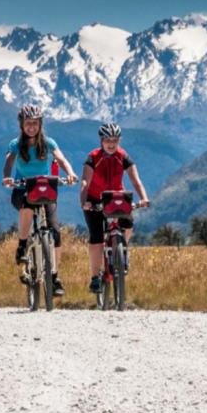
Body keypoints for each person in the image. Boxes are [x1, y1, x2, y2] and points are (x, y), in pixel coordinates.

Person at [1, 105, 78, 296]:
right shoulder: (15, 145)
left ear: (40, 124)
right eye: (28, 124)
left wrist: (70, 173)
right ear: (22, 125)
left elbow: (61, 159)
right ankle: (22, 243)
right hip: (22, 189)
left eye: (35, 123)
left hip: (44, 189)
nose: (32, 127)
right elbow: (9, 163)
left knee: (56, 233)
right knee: (26, 204)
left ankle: (54, 276)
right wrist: (7, 178)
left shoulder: (49, 143)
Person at [80, 122, 150, 295]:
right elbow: (84, 182)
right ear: (101, 141)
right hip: (94, 199)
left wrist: (144, 198)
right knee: (96, 239)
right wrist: (84, 202)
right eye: (108, 140)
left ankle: (121, 251)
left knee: (128, 225)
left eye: (115, 140)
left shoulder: (123, 156)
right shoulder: (93, 157)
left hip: (116, 198)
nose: (111, 144)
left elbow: (135, 180)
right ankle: (95, 277)